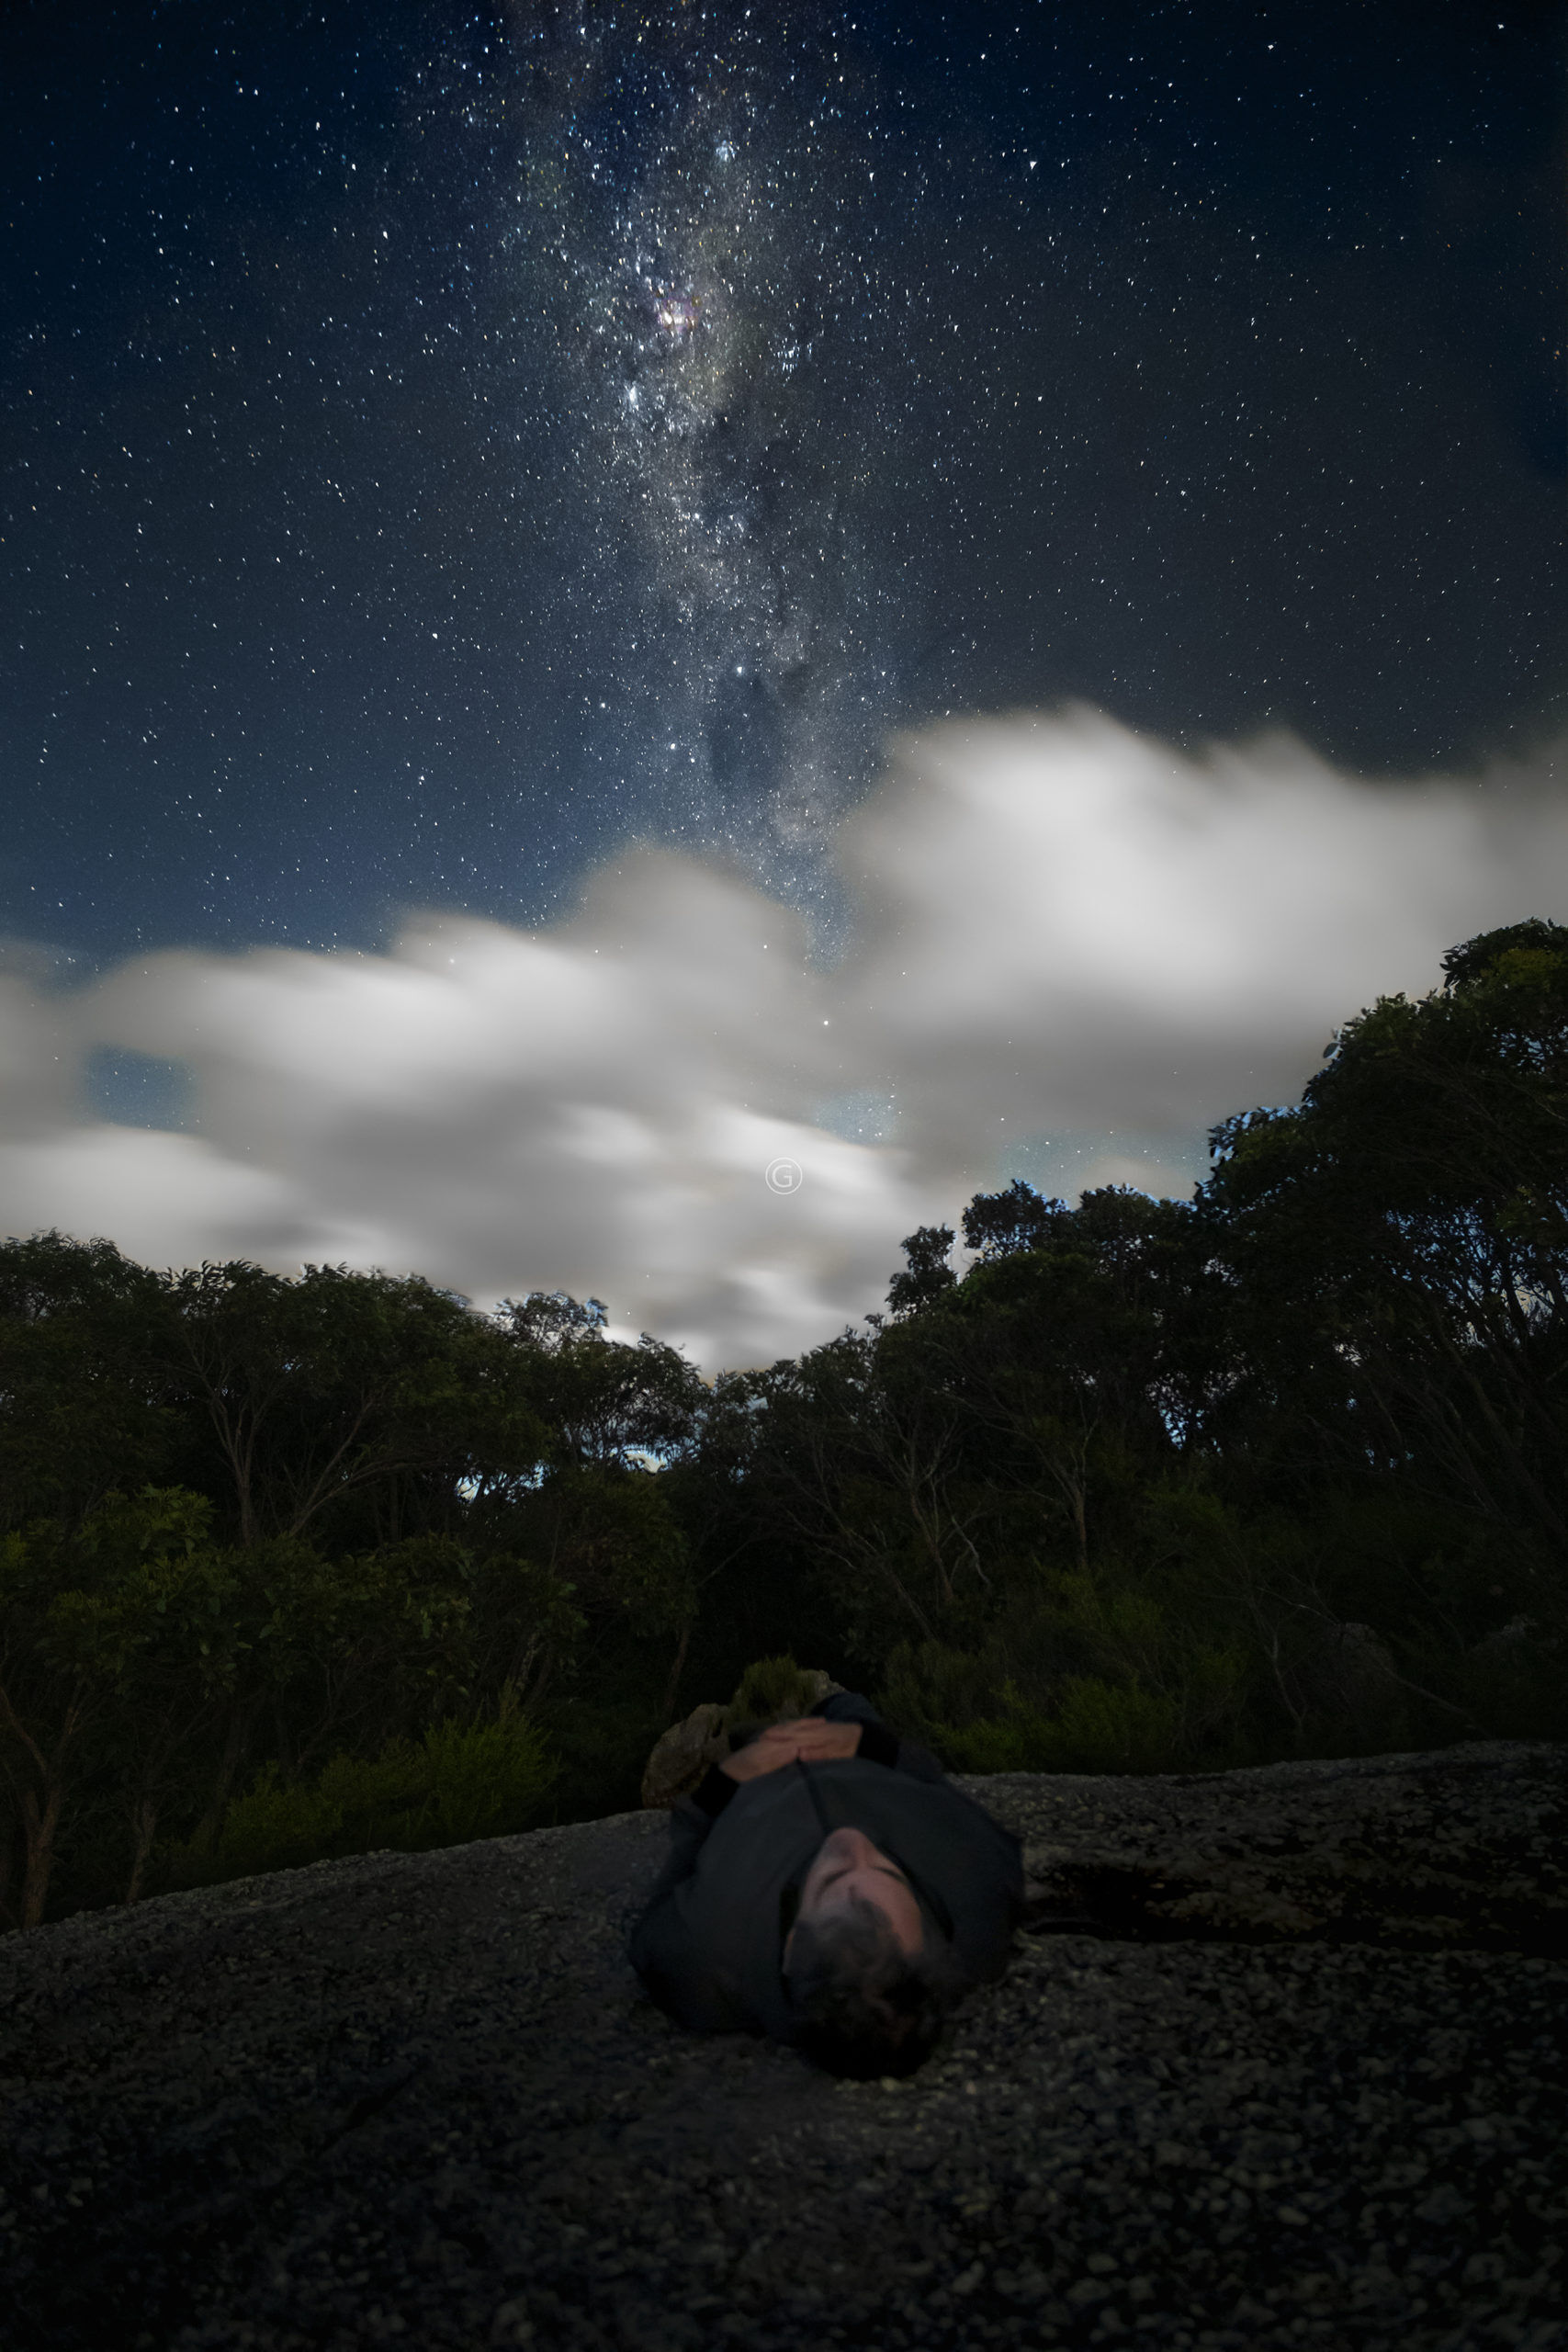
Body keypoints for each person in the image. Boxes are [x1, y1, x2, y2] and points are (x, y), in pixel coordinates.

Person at [628, 1690, 1023, 2078]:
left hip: (760, 1783)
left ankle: (758, 1722)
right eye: (891, 1871)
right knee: (845, 1702)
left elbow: (670, 1880)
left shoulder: (704, 1963)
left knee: (748, 1727)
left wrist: (727, 1780)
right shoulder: (979, 1900)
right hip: (857, 1756)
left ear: (789, 1949)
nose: (854, 1842)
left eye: (834, 1877)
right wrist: (869, 1743)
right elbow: (937, 1787)